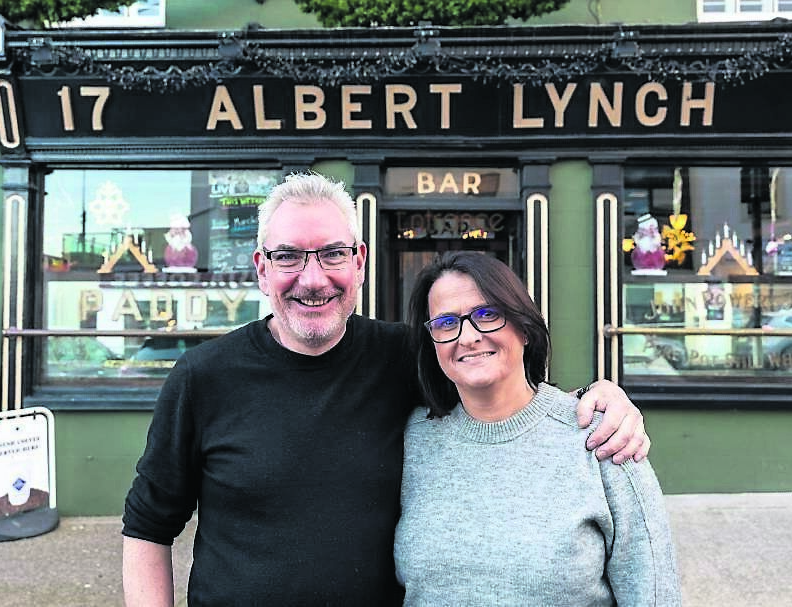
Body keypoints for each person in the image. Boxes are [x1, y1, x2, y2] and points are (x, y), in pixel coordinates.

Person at [122, 172, 651, 605]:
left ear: (359, 262)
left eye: (331, 254)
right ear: (262, 268)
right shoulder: (202, 376)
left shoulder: (406, 357)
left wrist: (597, 398)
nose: (312, 278)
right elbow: (149, 526)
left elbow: (495, 376)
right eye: (288, 256)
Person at [395, 251, 681, 606]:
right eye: (446, 323)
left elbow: (653, 595)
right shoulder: (412, 440)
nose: (467, 337)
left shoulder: (603, 438)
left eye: (487, 314)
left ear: (524, 328)